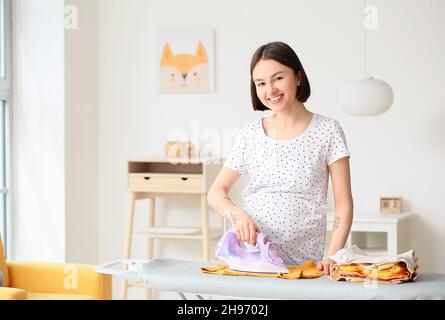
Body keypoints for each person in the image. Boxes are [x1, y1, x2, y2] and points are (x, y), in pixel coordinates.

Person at [207, 41, 353, 275]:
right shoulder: (249, 134)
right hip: (253, 260)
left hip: (304, 265)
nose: (270, 90)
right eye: (261, 83)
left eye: (278, 78)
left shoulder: (328, 130)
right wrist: (239, 215)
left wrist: (334, 254)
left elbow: (343, 204)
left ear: (298, 77)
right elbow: (215, 193)